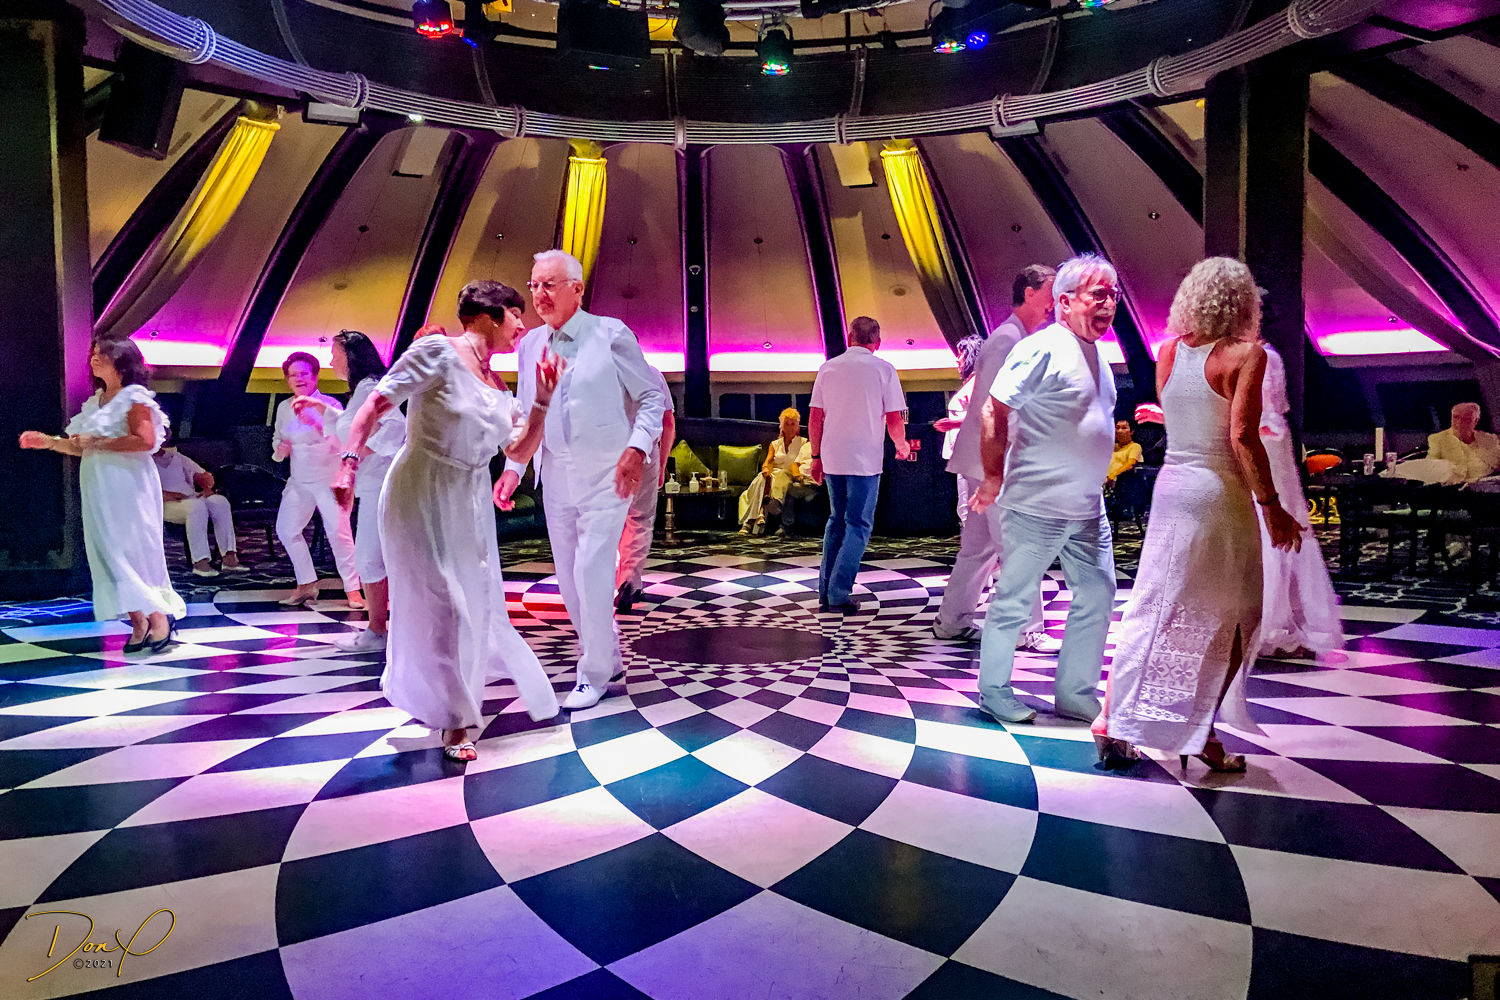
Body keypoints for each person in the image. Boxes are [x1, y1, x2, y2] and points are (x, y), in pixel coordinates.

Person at [335, 280, 563, 761]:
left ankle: (448, 703)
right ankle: (455, 722)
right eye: (516, 316)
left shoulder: (498, 385)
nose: (523, 327)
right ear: (488, 315)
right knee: (445, 604)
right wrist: (348, 463)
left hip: (470, 497)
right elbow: (377, 403)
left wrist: (542, 402)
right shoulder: (437, 352)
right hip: (420, 486)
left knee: (476, 605)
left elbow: (518, 448)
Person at [1094, 258, 1302, 771]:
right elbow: (1242, 437)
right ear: (1243, 303)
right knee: (1238, 614)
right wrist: (1272, 506)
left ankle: (1110, 716)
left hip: (1172, 488)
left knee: (1154, 606)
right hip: (1218, 491)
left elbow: (1183, 418)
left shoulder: (1168, 352)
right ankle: (1202, 733)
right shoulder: (1247, 355)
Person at [495, 250, 668, 710]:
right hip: (555, 475)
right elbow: (525, 414)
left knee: (592, 570)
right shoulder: (530, 345)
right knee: (569, 579)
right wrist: (514, 469)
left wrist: (637, 448)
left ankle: (592, 673)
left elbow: (651, 398)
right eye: (534, 285)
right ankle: (606, 655)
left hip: (608, 475)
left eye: (549, 284)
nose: (539, 295)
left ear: (577, 289)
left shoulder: (611, 334)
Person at [968, 254, 1120, 724]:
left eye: (1114, 295)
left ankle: (1075, 692)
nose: (1109, 304)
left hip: (1087, 508)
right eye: (1099, 295)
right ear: (1065, 302)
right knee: (1014, 599)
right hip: (1036, 506)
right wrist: (993, 476)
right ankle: (994, 691)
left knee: (1098, 592)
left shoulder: (1097, 354)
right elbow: (994, 410)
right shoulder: (1043, 347)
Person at [20, 337, 185, 652]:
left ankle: (159, 617)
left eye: (102, 355)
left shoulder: (134, 397)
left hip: (127, 484)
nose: (94, 359)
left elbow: (145, 440)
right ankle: (138, 621)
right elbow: (82, 446)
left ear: (121, 361)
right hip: (99, 484)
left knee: (131, 549)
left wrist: (97, 442)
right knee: (107, 553)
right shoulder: (96, 401)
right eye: (93, 354)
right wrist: (50, 442)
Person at [934, 265, 1058, 649]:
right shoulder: (1009, 340)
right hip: (997, 463)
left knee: (978, 549)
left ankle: (952, 621)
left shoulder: (1009, 337)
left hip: (983, 461)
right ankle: (1025, 630)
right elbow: (998, 410)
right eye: (1051, 292)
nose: (1056, 301)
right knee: (1018, 546)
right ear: (1030, 292)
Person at [293, 331, 406, 652]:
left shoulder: (370, 388)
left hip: (381, 484)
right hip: (372, 485)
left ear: (351, 356)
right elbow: (353, 426)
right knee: (375, 557)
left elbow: (395, 426)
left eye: (335, 354)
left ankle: (378, 631)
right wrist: (321, 408)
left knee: (370, 557)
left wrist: (355, 458)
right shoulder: (362, 391)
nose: (331, 361)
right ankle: (385, 629)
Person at [807, 316, 909, 613]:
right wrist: (901, 445)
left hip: (832, 456)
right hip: (865, 459)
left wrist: (815, 457)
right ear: (878, 342)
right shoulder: (884, 369)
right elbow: (894, 418)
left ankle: (825, 592)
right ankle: (838, 593)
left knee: (836, 521)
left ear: (849, 337)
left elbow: (815, 417)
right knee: (858, 524)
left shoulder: (828, 368)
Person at [1258, 340, 1343, 659]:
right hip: (1260, 439)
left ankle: (1275, 623)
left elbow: (1272, 409)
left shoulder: (1266, 357)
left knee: (1273, 525)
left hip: (1267, 442)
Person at [272, 352, 363, 608]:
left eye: (303, 373)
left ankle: (353, 589)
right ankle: (306, 583)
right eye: (293, 375)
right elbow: (278, 441)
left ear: (314, 376)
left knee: (339, 533)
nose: (298, 379)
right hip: (299, 480)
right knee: (287, 529)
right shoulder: (284, 407)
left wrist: (316, 423)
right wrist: (281, 449)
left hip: (328, 478)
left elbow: (343, 442)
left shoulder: (330, 405)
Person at [615, 365, 675, 613]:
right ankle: (629, 580)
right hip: (646, 452)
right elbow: (668, 423)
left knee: (608, 519)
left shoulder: (603, 370)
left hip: (609, 453)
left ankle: (602, 582)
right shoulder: (654, 374)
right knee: (639, 519)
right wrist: (662, 464)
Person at [155, 432, 243, 577]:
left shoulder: (175, 457)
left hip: (190, 496)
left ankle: (229, 558)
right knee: (196, 507)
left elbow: (204, 475)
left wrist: (207, 488)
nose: (164, 436)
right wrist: (168, 495)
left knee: (220, 502)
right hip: (165, 503)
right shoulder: (143, 460)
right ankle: (200, 562)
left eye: (166, 432)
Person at [738, 407, 816, 537]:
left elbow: (800, 464)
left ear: (797, 425)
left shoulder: (804, 443)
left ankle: (750, 522)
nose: (790, 427)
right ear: (782, 426)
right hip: (773, 475)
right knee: (761, 478)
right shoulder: (775, 444)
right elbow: (768, 461)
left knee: (765, 482)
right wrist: (766, 468)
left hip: (790, 475)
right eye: (787, 424)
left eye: (793, 424)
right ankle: (758, 516)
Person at [1428, 402, 1500, 483]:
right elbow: (1431, 471)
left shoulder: (1489, 439)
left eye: (1465, 419)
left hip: (1488, 484)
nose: (1459, 422)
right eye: (1456, 417)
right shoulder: (1438, 439)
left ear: (1475, 421)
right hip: (1457, 487)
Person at [1105, 420, 1143, 485]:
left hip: (1119, 483)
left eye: (1124, 428)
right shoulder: (1111, 446)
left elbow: (1130, 464)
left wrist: (1113, 475)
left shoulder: (1135, 446)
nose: (1120, 431)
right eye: (1117, 428)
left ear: (1131, 431)